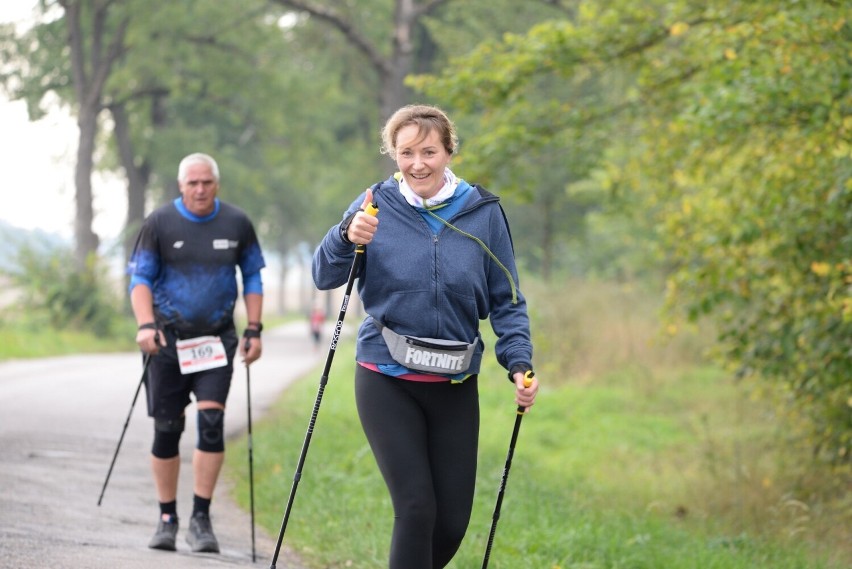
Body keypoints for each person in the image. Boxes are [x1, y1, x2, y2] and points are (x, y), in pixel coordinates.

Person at [312, 104, 540, 568]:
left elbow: (507, 297)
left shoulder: (483, 212)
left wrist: (519, 362)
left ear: (449, 151)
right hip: (385, 376)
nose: (418, 163)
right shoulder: (374, 204)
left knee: (452, 522)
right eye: (406, 152)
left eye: (429, 151)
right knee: (416, 508)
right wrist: (345, 234)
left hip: (455, 383)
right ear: (393, 153)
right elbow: (324, 274)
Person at [127, 152, 266, 553]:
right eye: (193, 183)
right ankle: (167, 517)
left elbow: (253, 275)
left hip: (216, 340)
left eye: (207, 182)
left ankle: (201, 519)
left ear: (216, 184)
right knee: (167, 430)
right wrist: (145, 325)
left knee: (210, 424)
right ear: (181, 185)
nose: (200, 189)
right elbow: (140, 278)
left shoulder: (237, 222)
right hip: (167, 341)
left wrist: (254, 329)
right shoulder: (159, 223)